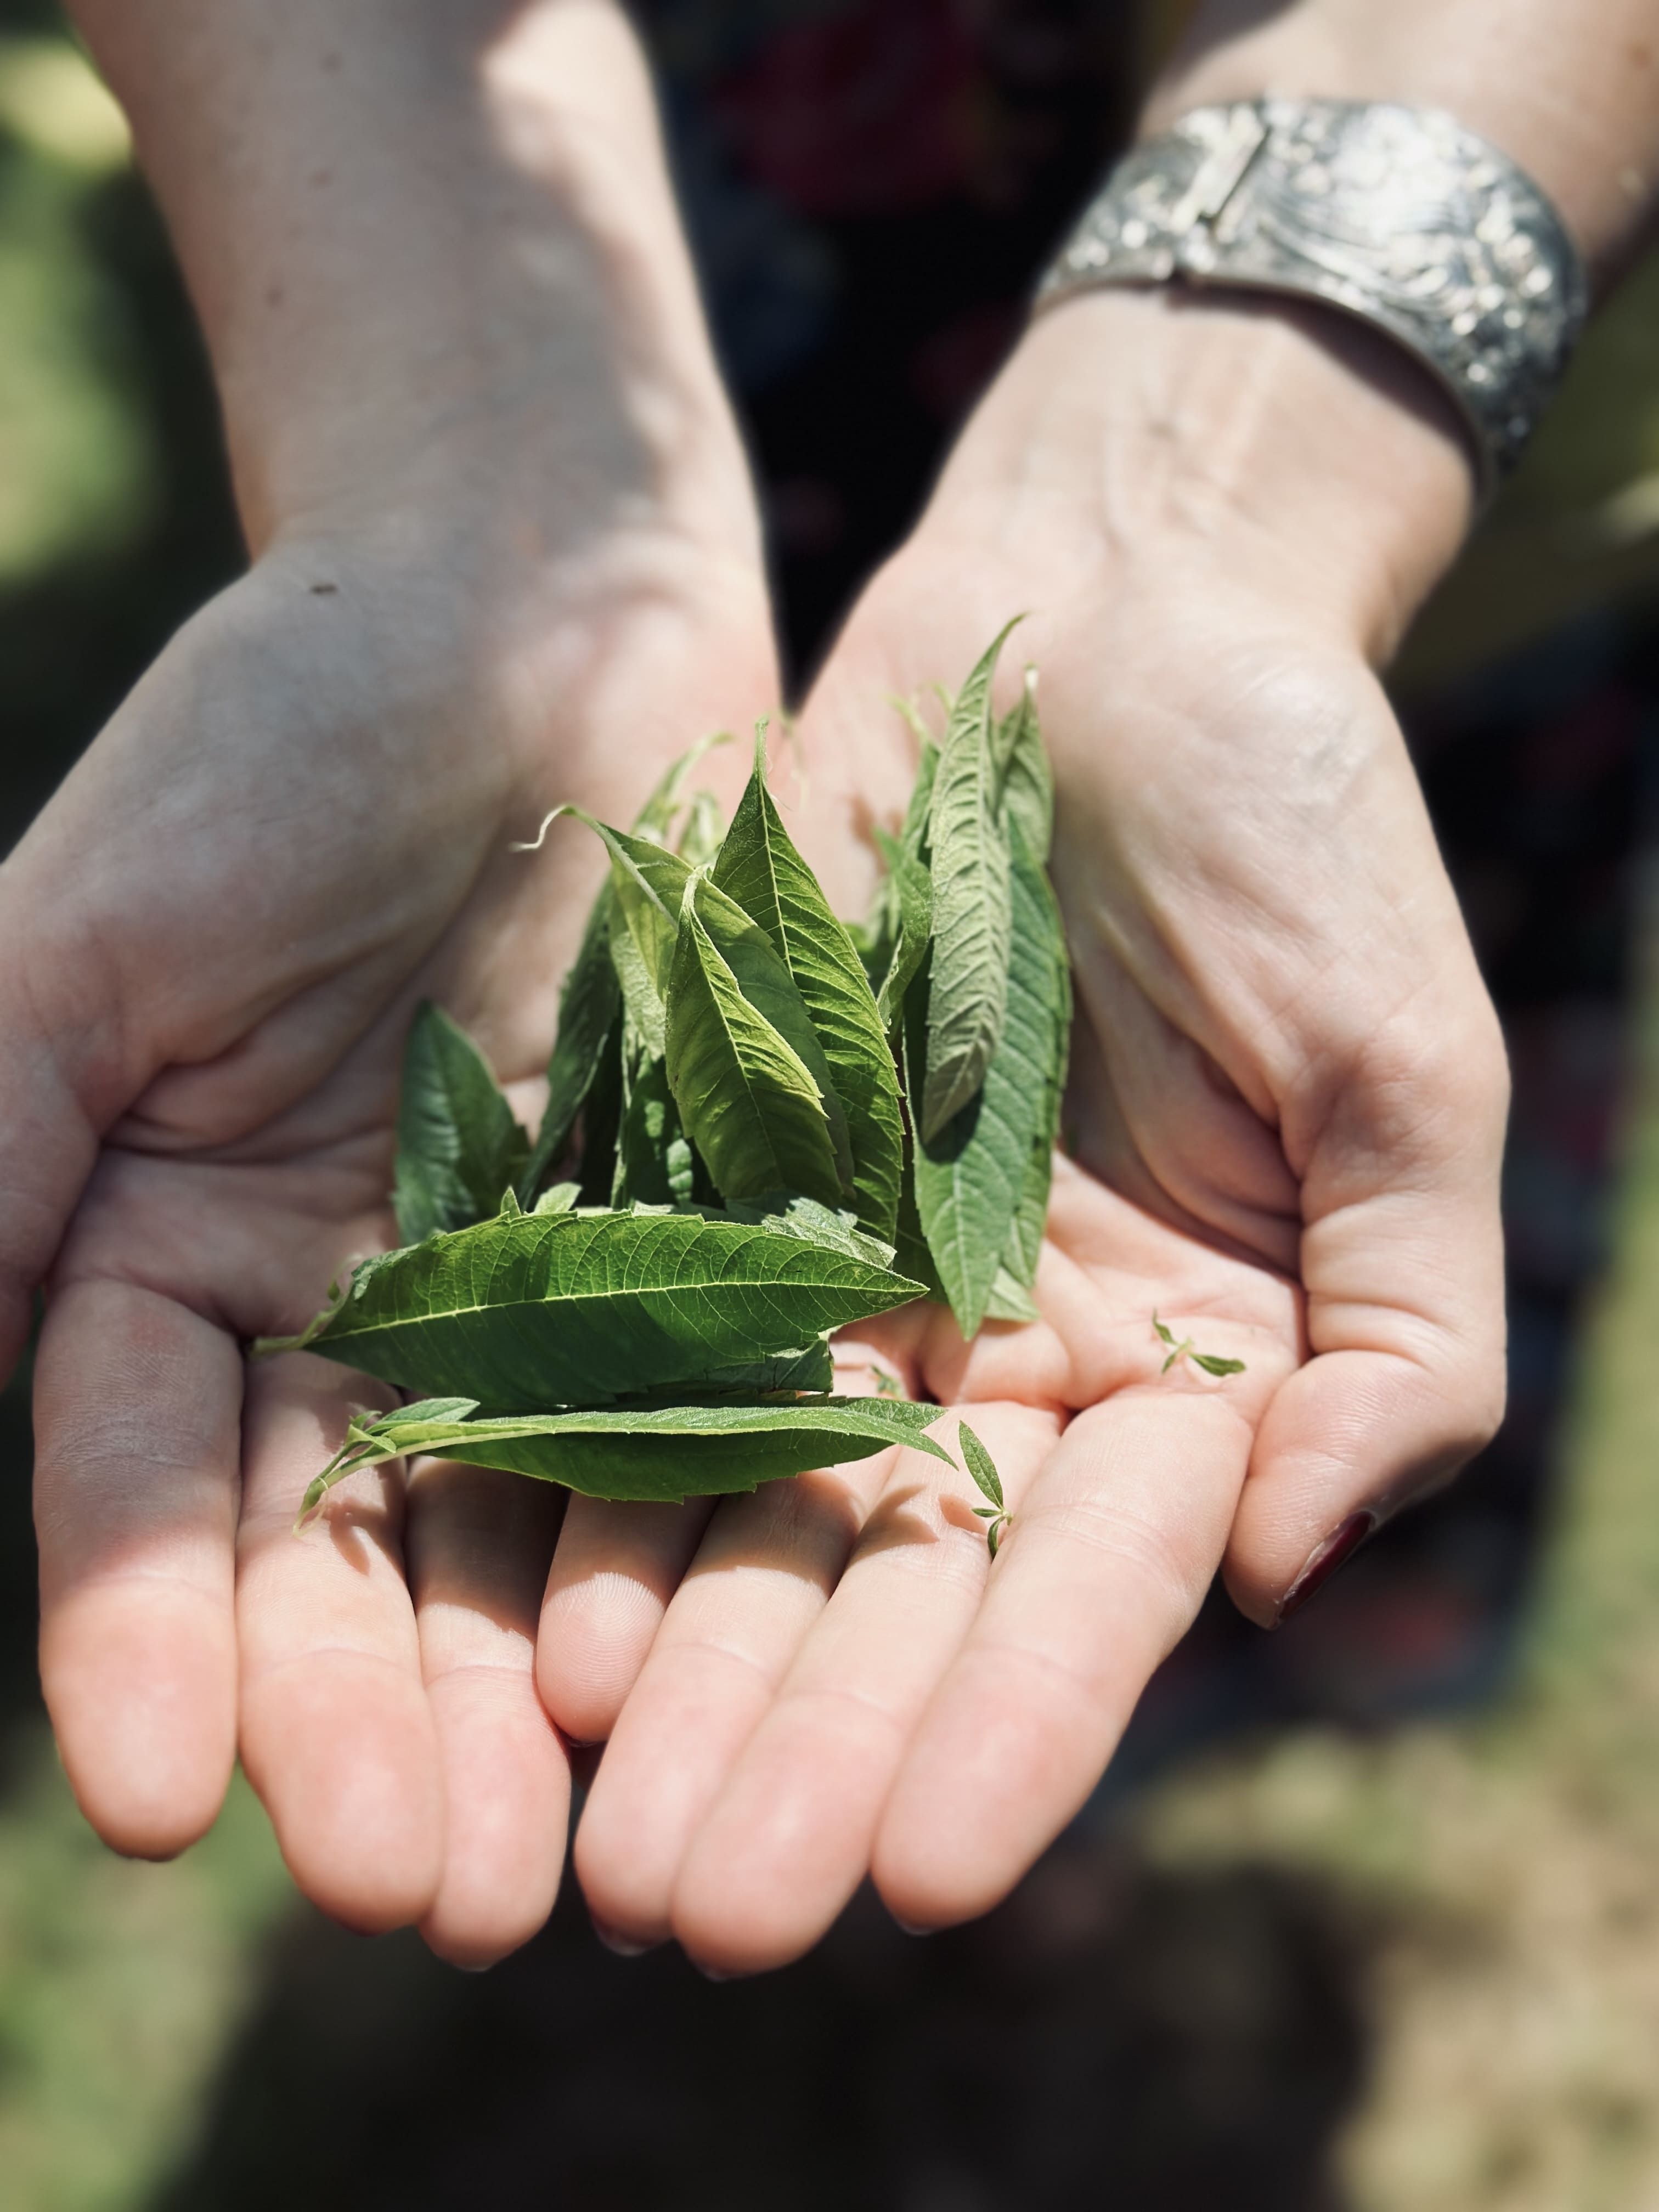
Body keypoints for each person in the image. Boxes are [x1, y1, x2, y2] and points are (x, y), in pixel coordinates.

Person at [4, 0, 1654, 1977]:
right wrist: (466, 465)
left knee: (1230, 1329)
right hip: (585, 212)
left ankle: (1109, 1825)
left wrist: (1229, 487)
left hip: (1447, 273)